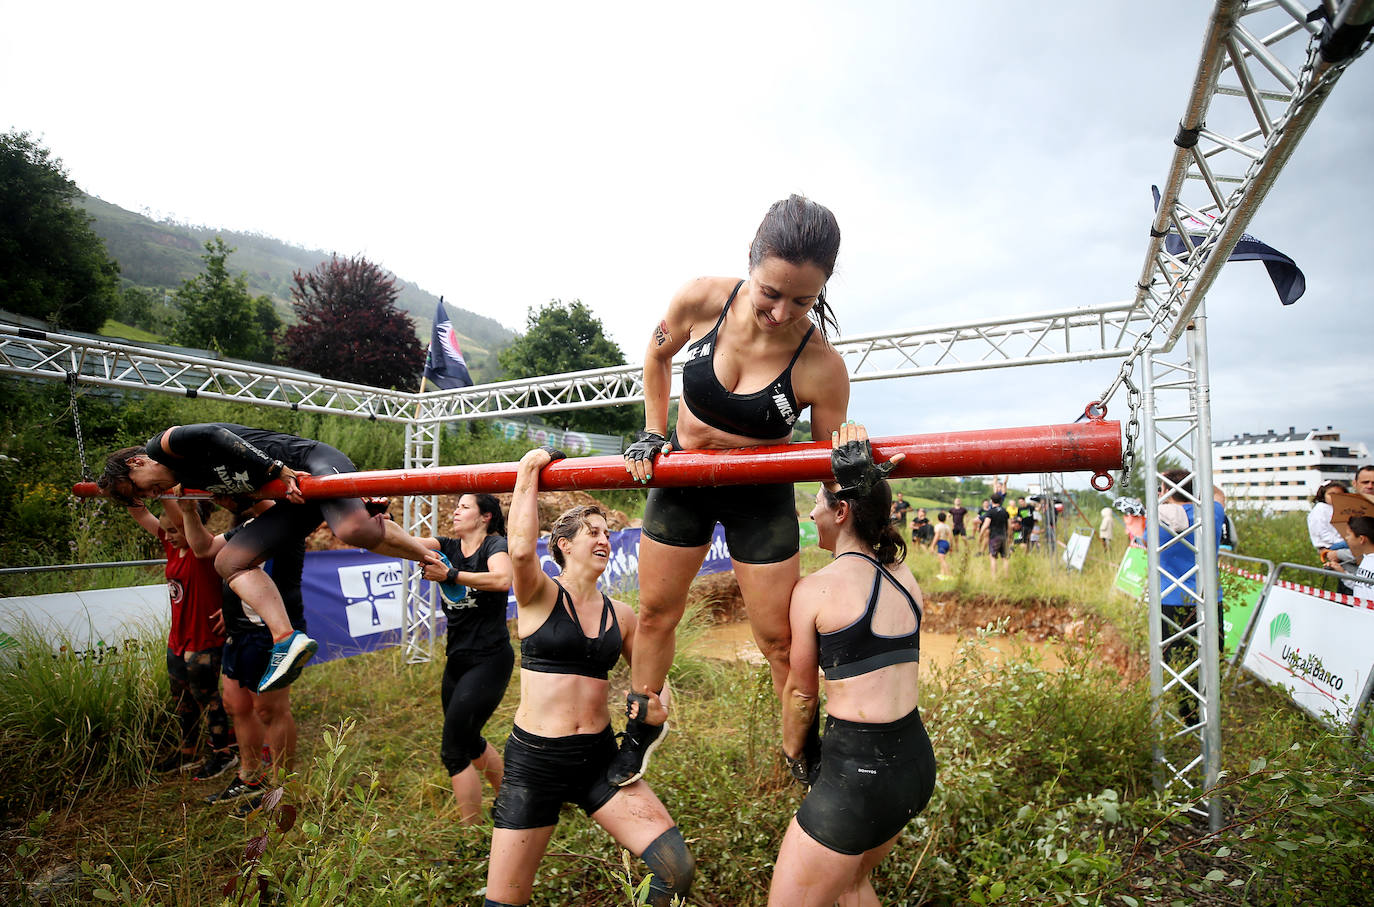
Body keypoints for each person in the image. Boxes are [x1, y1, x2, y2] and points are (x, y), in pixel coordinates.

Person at [617, 195, 850, 785]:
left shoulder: (821, 365)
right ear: (750, 263)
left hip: (760, 495)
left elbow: (828, 463)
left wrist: (849, 493)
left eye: (803, 300)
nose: (781, 312)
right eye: (770, 292)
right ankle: (642, 723)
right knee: (653, 613)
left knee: (778, 641)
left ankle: (801, 753)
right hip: (684, 480)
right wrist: (652, 430)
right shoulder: (700, 299)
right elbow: (656, 351)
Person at [484, 446, 694, 907]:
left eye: (607, 532)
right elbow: (520, 549)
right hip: (534, 764)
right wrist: (530, 468)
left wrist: (658, 705)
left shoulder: (621, 615)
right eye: (592, 532)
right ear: (564, 543)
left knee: (675, 870)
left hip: (600, 760)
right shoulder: (539, 593)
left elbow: (653, 675)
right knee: (503, 903)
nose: (605, 539)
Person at [98, 423, 436, 693]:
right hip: (288, 495)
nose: (150, 494)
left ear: (136, 462)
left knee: (351, 529)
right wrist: (234, 502)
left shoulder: (165, 445)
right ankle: (286, 639)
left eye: (141, 489)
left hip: (309, 464)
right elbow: (253, 506)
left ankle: (425, 552)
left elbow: (215, 435)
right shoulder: (192, 481)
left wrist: (276, 468)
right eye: (143, 497)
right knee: (228, 562)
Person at [770, 423, 935, 907]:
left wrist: (794, 756)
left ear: (841, 511)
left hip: (858, 777)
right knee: (851, 884)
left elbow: (801, 696)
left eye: (819, 501)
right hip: (913, 766)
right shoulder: (906, 576)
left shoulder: (817, 589)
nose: (811, 511)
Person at [179, 500, 305, 812]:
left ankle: (280, 791)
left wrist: (237, 486)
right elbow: (204, 549)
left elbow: (267, 504)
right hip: (239, 630)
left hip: (270, 630)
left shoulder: (287, 526)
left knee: (270, 710)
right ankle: (250, 777)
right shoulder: (249, 528)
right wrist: (188, 510)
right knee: (236, 705)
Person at [414, 494, 514, 824]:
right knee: (469, 741)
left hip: (490, 660)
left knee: (452, 750)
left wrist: (452, 575)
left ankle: (469, 835)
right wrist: (374, 521)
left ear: (485, 516)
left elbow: (502, 580)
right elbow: (401, 543)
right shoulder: (446, 545)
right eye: (456, 506)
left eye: (464, 506)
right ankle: (511, 803)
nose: (455, 510)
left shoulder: (494, 545)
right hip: (456, 660)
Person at [122, 500, 235, 780]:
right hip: (178, 637)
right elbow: (138, 511)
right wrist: (129, 485)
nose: (168, 534)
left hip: (204, 636)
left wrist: (165, 489)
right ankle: (189, 752)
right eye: (166, 530)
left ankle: (224, 753)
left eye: (174, 529)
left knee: (207, 696)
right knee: (181, 698)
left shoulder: (206, 548)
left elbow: (182, 514)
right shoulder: (172, 545)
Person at [1330, 515, 1374, 599]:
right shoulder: (1365, 558)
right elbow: (1360, 586)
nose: (1346, 538)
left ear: (1361, 539)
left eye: (1349, 534)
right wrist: (1342, 572)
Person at [982, 493, 1011, 579]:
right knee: (1005, 558)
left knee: (993, 557)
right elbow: (1009, 526)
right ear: (1001, 501)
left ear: (991, 501)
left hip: (994, 537)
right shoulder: (1005, 511)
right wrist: (1009, 537)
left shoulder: (990, 512)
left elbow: (986, 524)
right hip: (1004, 536)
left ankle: (994, 578)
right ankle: (1006, 577)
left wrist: (981, 533)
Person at [932, 511, 953, 579]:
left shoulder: (937, 526)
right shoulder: (947, 526)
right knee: (942, 559)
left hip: (941, 543)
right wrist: (951, 546)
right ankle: (942, 574)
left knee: (942, 560)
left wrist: (933, 546)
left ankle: (949, 575)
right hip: (946, 543)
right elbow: (950, 537)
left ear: (938, 519)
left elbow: (937, 536)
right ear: (945, 519)